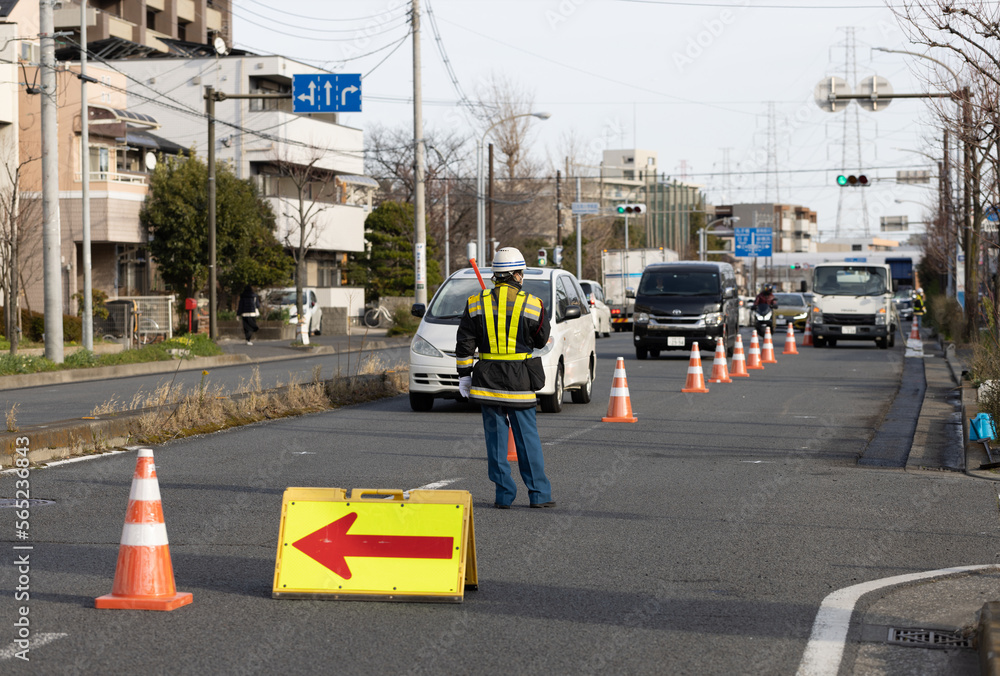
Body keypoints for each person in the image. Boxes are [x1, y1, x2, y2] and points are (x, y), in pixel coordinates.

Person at [456, 247, 554, 509]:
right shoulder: (533, 303)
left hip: (487, 381)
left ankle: (503, 496)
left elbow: (465, 343)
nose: (522, 277)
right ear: (516, 275)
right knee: (527, 440)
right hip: (520, 379)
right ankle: (539, 496)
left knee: (496, 442)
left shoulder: (475, 303)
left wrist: (464, 376)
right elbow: (541, 339)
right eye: (521, 272)